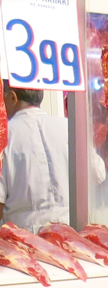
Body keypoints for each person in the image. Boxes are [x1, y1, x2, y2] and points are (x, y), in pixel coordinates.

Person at [0, 84, 70, 232]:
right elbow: (98, 173)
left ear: (12, 97)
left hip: (25, 237)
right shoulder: (68, 127)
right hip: (71, 231)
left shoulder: (5, 136)